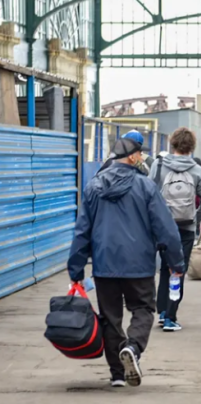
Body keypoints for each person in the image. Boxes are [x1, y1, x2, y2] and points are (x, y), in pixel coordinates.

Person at [67, 138, 184, 388]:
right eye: (139, 155)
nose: (141, 158)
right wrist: (176, 262)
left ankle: (118, 374)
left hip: (104, 264)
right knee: (143, 309)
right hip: (139, 264)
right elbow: (166, 228)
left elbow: (81, 230)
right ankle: (132, 347)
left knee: (110, 317)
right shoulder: (145, 186)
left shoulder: (93, 186)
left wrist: (75, 269)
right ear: (132, 157)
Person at [148, 127, 201, 332]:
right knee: (178, 270)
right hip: (185, 228)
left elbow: (148, 195)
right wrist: (194, 218)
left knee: (164, 268)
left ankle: (163, 311)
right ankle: (171, 316)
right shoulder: (198, 171)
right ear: (191, 147)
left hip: (162, 227)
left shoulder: (158, 165)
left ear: (172, 144)